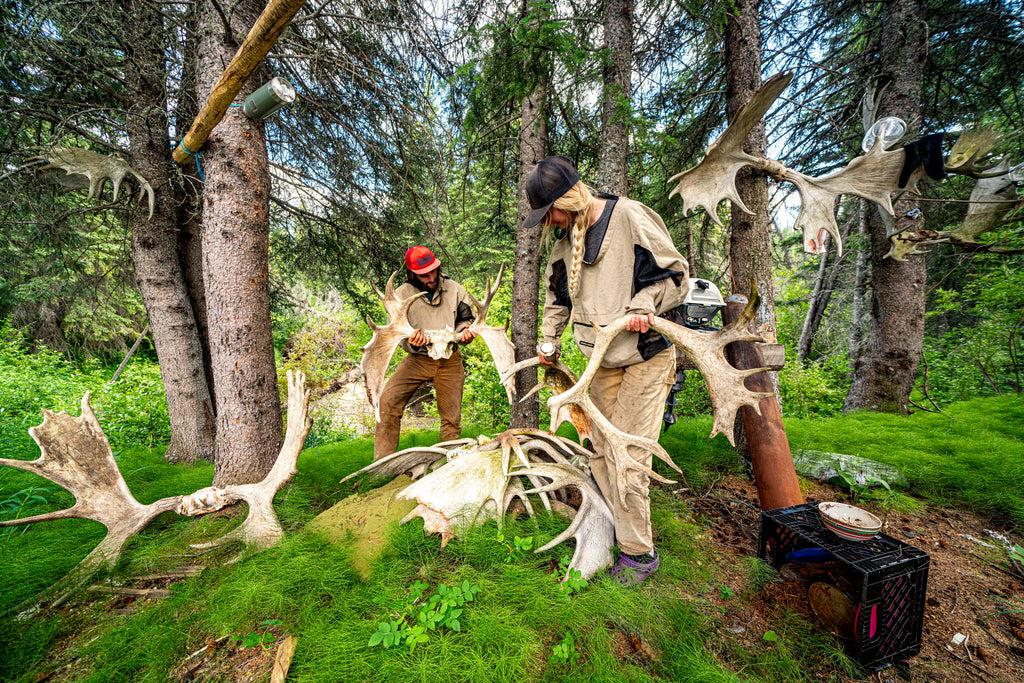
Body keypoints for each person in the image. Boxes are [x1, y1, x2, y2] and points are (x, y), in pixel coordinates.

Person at [525, 156, 690, 586]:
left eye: (552, 212)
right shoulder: (565, 244)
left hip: (645, 358)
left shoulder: (630, 217)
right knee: (599, 451)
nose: (551, 223)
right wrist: (550, 338)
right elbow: (556, 299)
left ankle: (639, 555)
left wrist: (644, 304)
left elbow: (677, 278)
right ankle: (618, 524)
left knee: (629, 457)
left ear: (569, 198)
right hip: (600, 364)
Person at [373, 246, 476, 460]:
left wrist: (465, 333)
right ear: (412, 274)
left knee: (451, 418)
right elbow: (396, 332)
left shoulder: (455, 289)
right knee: (388, 404)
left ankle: (445, 466)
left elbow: (467, 319)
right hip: (418, 359)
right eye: (424, 274)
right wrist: (413, 343)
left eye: (434, 271)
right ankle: (382, 465)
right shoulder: (400, 295)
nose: (431, 277)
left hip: (450, 359)